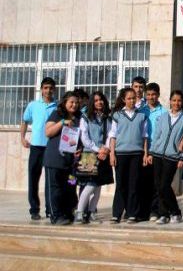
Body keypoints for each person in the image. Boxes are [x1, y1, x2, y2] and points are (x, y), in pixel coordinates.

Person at [149, 90, 183, 225]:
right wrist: (151, 152)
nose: (176, 103)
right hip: (157, 154)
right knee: (158, 186)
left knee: (164, 185)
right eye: (174, 100)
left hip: (172, 156)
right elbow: (156, 136)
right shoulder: (163, 117)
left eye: (179, 100)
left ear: (182, 102)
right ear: (170, 101)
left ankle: (175, 212)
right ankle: (163, 214)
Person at [109, 87, 149, 224]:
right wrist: (112, 154)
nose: (132, 100)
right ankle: (116, 213)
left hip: (136, 154)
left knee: (134, 184)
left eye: (134, 98)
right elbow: (113, 136)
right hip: (120, 154)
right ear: (123, 100)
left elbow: (145, 137)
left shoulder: (142, 116)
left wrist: (145, 154)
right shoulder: (117, 116)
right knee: (120, 184)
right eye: (129, 98)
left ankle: (132, 213)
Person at [43, 91, 82, 225]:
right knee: (55, 188)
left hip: (71, 163)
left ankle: (68, 212)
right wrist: (62, 123)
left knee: (70, 187)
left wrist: (80, 149)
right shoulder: (57, 114)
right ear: (65, 103)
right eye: (71, 102)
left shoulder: (80, 117)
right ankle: (56, 215)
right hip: (55, 160)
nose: (74, 105)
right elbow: (48, 132)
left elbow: (81, 137)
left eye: (76, 102)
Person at [21, 77, 57, 221]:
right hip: (36, 147)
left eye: (51, 88)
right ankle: (34, 209)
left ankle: (50, 209)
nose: (48, 91)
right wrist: (22, 138)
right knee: (33, 179)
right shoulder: (33, 105)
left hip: (51, 147)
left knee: (51, 180)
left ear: (54, 90)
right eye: (45, 88)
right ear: (41, 89)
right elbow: (24, 121)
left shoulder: (57, 106)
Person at [76, 91, 114, 224]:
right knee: (90, 185)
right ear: (92, 102)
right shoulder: (85, 117)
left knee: (98, 186)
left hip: (103, 154)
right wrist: (98, 149)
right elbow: (84, 137)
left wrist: (106, 149)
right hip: (89, 155)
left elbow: (111, 134)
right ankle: (80, 212)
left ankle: (91, 212)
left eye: (101, 100)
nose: (99, 102)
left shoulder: (108, 117)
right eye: (96, 100)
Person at [139, 83, 167, 221]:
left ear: (158, 95)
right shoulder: (141, 111)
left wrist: (152, 152)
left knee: (157, 184)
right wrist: (146, 153)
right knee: (143, 183)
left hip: (157, 152)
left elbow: (163, 134)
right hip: (142, 152)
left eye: (153, 94)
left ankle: (155, 211)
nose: (151, 97)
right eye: (148, 94)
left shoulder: (164, 112)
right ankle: (143, 211)